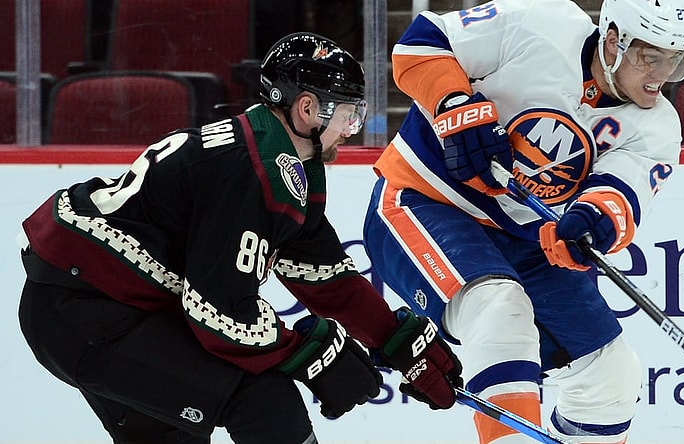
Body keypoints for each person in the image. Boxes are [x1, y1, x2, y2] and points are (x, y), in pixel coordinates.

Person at [18, 32, 462, 444]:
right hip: (86, 313)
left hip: (97, 303)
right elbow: (218, 312)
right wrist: (307, 353)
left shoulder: (279, 158)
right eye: (350, 113)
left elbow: (325, 278)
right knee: (259, 397)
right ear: (308, 109)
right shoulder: (252, 170)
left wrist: (397, 342)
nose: (352, 128)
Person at [363, 0, 684, 443]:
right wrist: (455, 107)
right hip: (424, 200)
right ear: (614, 39)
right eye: (650, 56)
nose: (661, 73)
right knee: (501, 307)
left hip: (524, 239)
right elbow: (420, 43)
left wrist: (590, 222)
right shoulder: (540, 23)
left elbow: (621, 195)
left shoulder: (657, 127)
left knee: (612, 373)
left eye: (675, 59)